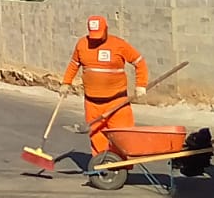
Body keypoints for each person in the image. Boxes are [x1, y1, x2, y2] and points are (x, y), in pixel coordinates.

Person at [60, 16, 149, 158]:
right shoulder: (82, 44)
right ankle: (102, 170)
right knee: (97, 136)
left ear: (106, 30)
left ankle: (121, 169)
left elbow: (139, 62)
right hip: (92, 103)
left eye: (99, 35)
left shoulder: (118, 45)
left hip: (117, 102)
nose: (96, 39)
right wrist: (66, 83)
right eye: (93, 36)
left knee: (122, 136)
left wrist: (141, 85)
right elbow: (74, 64)